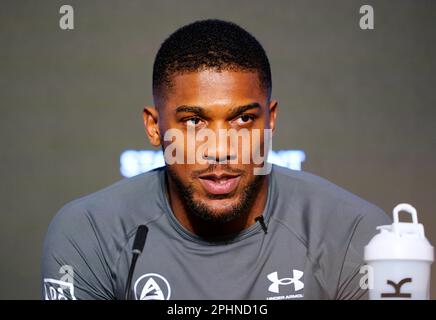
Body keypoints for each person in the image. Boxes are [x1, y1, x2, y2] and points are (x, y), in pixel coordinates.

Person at [41, 19, 390, 300]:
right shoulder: (89, 233)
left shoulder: (354, 233)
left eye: (243, 119)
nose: (220, 147)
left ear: (270, 122)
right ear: (153, 126)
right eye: (194, 122)